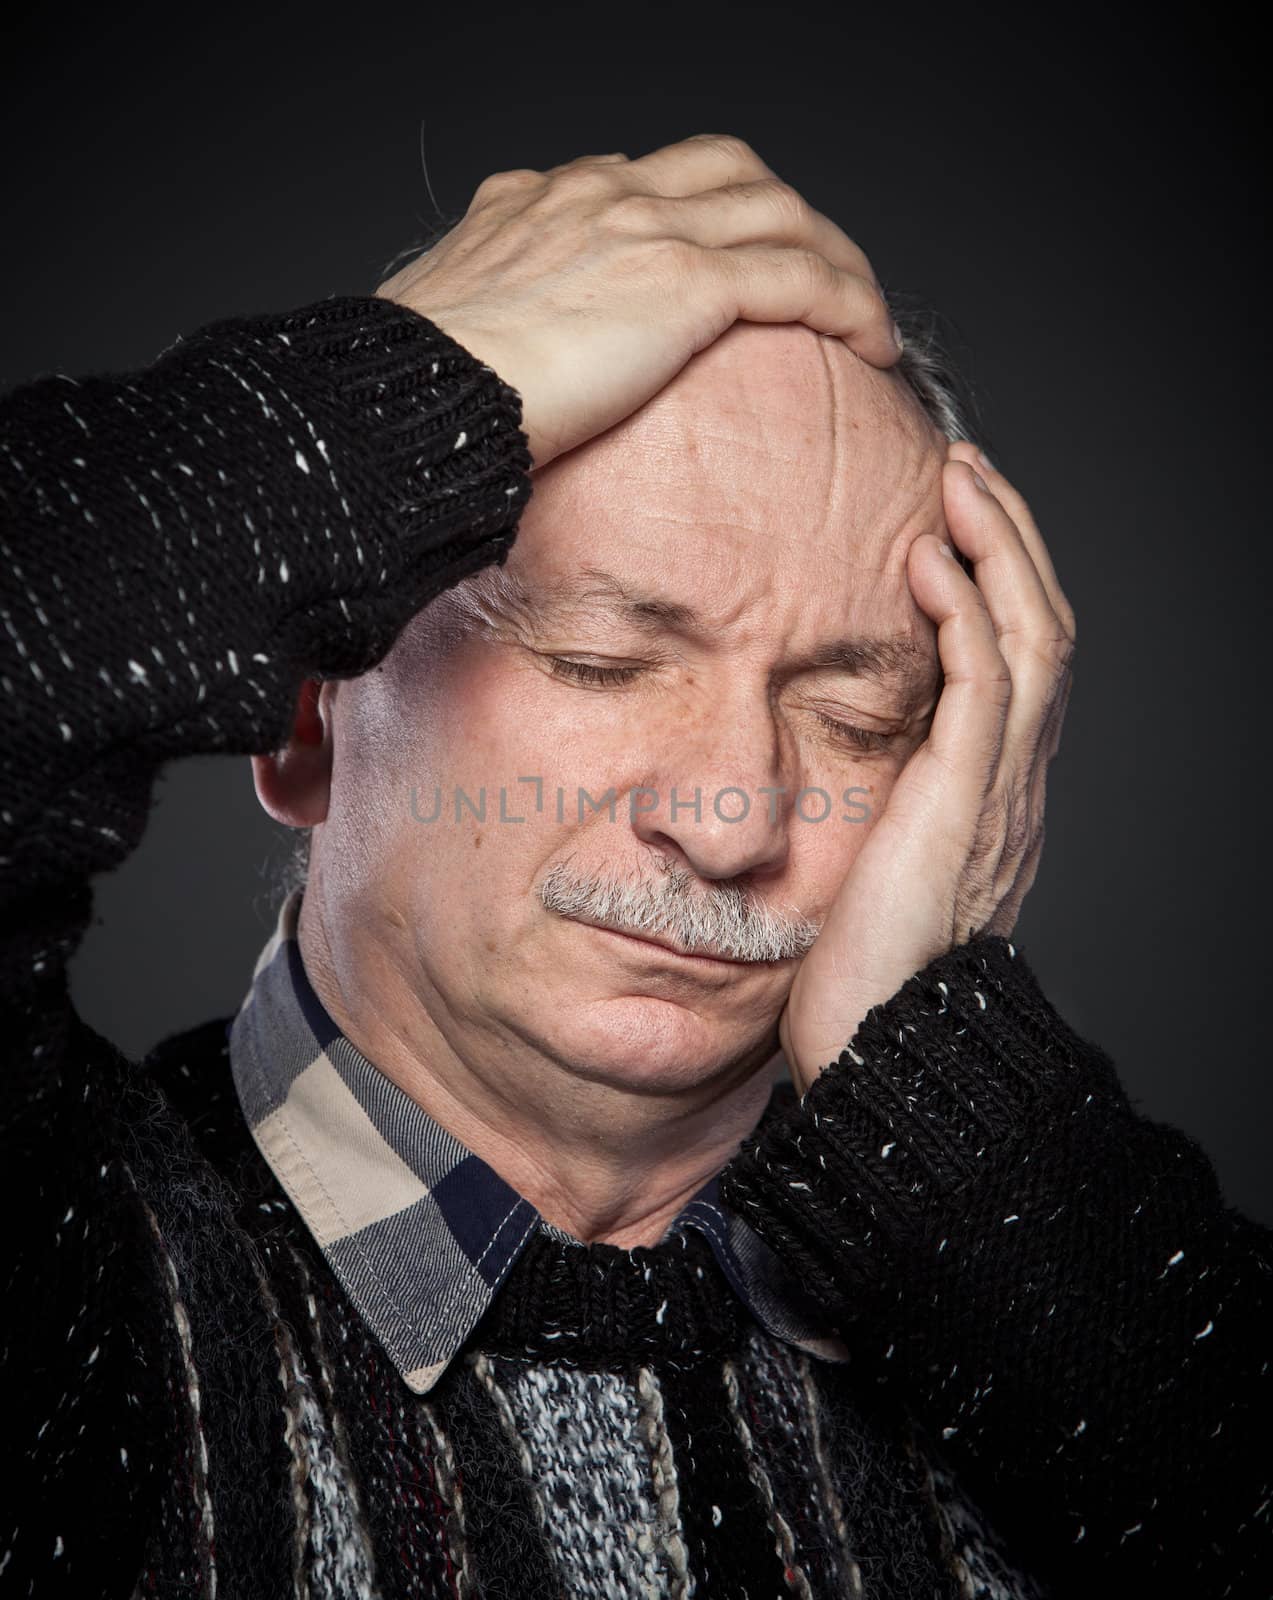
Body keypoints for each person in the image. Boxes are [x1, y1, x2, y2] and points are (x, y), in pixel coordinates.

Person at [0, 131, 1267, 1599]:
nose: (732, 824)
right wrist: (369, 397)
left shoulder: (1036, 1299)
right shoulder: (74, 1276)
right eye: (600, 663)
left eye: (854, 716)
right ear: (305, 720)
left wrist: (948, 1125)